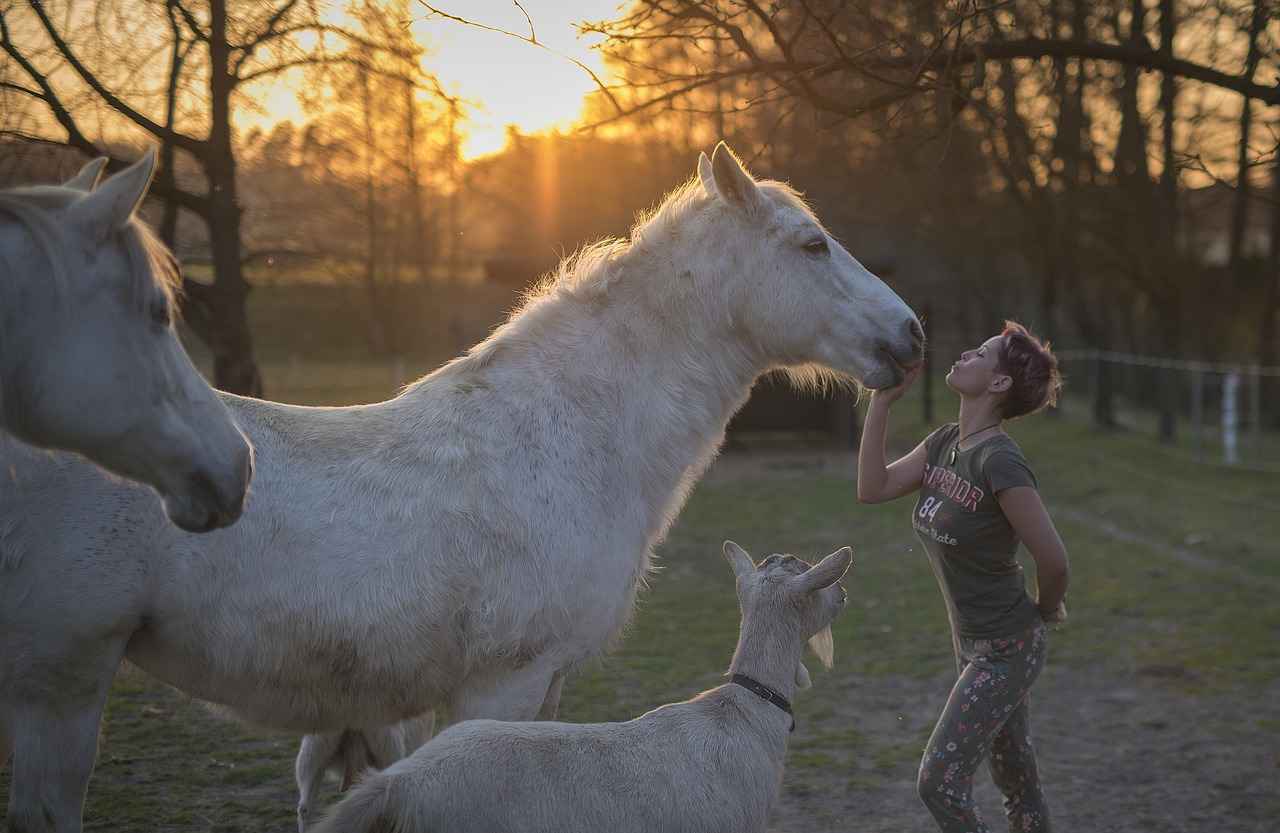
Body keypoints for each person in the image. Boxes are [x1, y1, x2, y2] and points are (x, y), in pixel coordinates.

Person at [857, 320, 1069, 833]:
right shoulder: (945, 443)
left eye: (982, 353)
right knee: (1016, 778)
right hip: (970, 641)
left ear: (998, 384)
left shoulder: (1000, 462)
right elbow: (873, 486)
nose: (966, 352)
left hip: (1005, 649)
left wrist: (1043, 610)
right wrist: (882, 404)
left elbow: (1055, 560)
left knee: (939, 782)